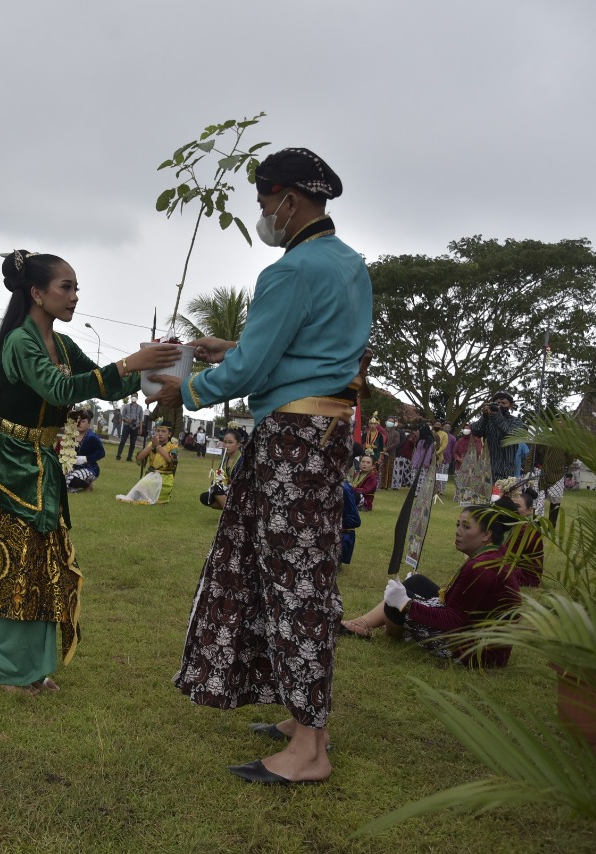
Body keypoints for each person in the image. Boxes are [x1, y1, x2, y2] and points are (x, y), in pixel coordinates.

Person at [150, 148, 371, 786]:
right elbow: (307, 350)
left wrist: (183, 391)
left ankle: (310, 748)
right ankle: (300, 718)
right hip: (324, 433)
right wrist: (232, 347)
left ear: (289, 201)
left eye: (263, 200)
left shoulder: (290, 270)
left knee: (294, 579)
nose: (261, 214)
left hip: (293, 439)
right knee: (293, 571)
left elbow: (250, 372)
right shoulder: (349, 264)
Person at [0, 250, 179, 696]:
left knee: (40, 566)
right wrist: (131, 364)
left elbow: (101, 380)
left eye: (76, 288)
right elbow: (58, 388)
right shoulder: (22, 340)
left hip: (40, 467)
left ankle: (34, 669)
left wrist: (156, 371)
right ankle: (6, 670)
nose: (75, 297)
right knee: (10, 567)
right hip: (6, 467)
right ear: (37, 293)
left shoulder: (59, 342)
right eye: (66, 287)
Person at [339, 502, 522, 667]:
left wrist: (406, 604)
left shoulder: (480, 567)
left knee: (396, 605)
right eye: (458, 525)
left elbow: (454, 620)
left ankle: (389, 630)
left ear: (487, 534)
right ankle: (362, 623)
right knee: (416, 583)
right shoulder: (496, 553)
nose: (458, 531)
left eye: (466, 527)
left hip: (472, 650)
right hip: (481, 638)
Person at [471, 392, 523, 481]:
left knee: (502, 494)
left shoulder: (516, 421)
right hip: (488, 467)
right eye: (497, 403)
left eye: (504, 403)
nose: (500, 406)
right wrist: (485, 416)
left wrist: (496, 416)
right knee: (485, 494)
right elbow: (476, 431)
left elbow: (509, 431)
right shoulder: (488, 420)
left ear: (511, 406)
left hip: (506, 469)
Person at [502, 487, 545, 588]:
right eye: (511, 505)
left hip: (525, 579)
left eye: (517, 506)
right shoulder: (519, 524)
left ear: (529, 510)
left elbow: (504, 558)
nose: (512, 509)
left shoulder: (525, 529)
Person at [199, 426, 247, 510]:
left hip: (241, 492)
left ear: (238, 444)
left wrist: (229, 483)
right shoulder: (225, 459)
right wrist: (216, 481)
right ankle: (232, 510)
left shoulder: (243, 460)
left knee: (217, 489)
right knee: (205, 497)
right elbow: (220, 476)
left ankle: (234, 513)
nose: (227, 445)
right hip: (228, 490)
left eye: (230, 442)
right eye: (225, 442)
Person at [134, 419, 180, 503]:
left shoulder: (173, 447)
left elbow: (170, 460)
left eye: (163, 431)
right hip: (150, 476)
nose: (160, 433)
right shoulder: (151, 444)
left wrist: (158, 446)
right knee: (138, 493)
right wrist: (151, 447)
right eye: (158, 431)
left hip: (164, 480)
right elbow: (139, 458)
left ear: (169, 434)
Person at [65, 409, 105, 493]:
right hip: (74, 467)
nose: (80, 424)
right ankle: (71, 486)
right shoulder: (72, 435)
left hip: (89, 468)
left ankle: (87, 485)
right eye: (78, 421)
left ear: (89, 423)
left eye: (83, 421)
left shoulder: (92, 437)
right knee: (60, 476)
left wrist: (86, 459)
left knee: (72, 478)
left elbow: (101, 453)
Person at [116, 394, 144, 460]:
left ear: (137, 397)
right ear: (131, 397)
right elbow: (122, 416)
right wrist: (127, 420)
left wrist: (141, 428)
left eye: (135, 396)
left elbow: (140, 419)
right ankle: (118, 455)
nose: (134, 398)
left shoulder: (140, 408)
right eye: (132, 396)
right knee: (122, 441)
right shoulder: (126, 406)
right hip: (127, 426)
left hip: (135, 427)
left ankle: (129, 457)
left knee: (133, 443)